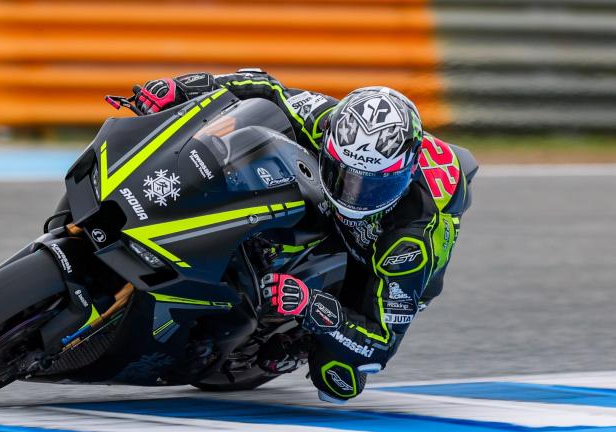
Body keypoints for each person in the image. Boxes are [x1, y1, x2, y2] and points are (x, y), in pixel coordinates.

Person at [132, 69, 477, 403]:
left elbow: (380, 346)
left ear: (403, 175)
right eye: (344, 174)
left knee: (338, 381)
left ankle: (294, 344)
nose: (353, 194)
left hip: (375, 252)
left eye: (372, 186)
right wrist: (183, 88)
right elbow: (264, 86)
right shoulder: (326, 121)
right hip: (325, 190)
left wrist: (313, 307)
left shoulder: (410, 242)